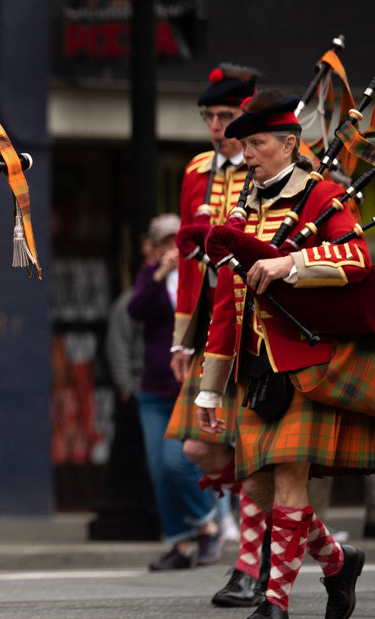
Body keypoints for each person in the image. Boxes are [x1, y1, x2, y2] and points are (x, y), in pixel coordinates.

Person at [196, 89, 371, 619]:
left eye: (257, 143)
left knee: (290, 476)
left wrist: (289, 265)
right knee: (259, 484)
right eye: (243, 145)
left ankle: (275, 605)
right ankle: (339, 562)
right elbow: (227, 304)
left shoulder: (322, 198)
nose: (246, 153)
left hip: (307, 362)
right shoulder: (240, 209)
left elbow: (359, 257)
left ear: (290, 144)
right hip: (256, 367)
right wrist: (210, 385)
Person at [168, 63, 268, 606]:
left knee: (253, 448)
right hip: (215, 320)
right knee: (202, 449)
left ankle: (252, 562)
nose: (216, 126)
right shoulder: (195, 171)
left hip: (262, 320)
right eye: (209, 116)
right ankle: (304, 543)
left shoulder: (277, 167)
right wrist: (182, 339)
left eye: (226, 116)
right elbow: (187, 263)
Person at [128, 214, 221, 571]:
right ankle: (179, 544)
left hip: (189, 385)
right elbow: (135, 310)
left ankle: (206, 524)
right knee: (158, 469)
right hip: (154, 386)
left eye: (176, 240)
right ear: (153, 247)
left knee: (177, 463)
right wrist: (157, 275)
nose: (172, 248)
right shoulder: (149, 276)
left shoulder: (199, 272)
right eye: (164, 242)